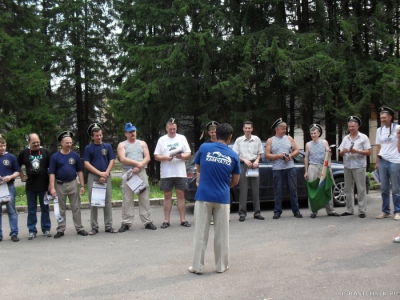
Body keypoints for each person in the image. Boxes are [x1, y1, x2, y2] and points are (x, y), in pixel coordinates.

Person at [188, 123, 240, 274]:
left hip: (203, 195)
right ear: (230, 137)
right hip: (223, 197)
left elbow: (198, 168)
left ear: (215, 134)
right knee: (222, 233)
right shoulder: (233, 155)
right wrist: (224, 184)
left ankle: (197, 266)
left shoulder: (204, 148)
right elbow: (236, 180)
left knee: (200, 233)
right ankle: (221, 266)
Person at [117, 122, 157, 232]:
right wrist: (136, 164)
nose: (132, 133)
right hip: (128, 173)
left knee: (144, 197)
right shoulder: (122, 145)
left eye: (133, 131)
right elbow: (123, 159)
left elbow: (147, 157)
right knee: (128, 198)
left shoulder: (142, 143)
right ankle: (126, 222)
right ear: (126, 133)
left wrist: (139, 166)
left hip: (140, 171)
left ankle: (147, 221)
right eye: (130, 132)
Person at [48, 131, 88, 238]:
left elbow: (80, 171)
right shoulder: (55, 157)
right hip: (59, 185)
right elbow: (51, 173)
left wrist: (82, 186)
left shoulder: (75, 155)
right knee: (61, 209)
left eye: (70, 143)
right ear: (61, 143)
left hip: (73, 183)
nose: (69, 145)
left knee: (76, 207)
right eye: (67, 143)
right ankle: (61, 229)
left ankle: (79, 228)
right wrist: (52, 187)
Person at [154, 118, 192, 228]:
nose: (172, 131)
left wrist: (181, 156)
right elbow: (156, 156)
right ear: (166, 128)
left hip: (180, 172)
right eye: (170, 129)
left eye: (174, 129)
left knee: (181, 194)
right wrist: (166, 158)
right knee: (167, 195)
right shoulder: (162, 140)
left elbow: (188, 154)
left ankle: (183, 219)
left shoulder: (182, 138)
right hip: (167, 172)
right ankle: (166, 220)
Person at [83, 123, 118, 235]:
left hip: (106, 175)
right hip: (93, 176)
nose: (99, 137)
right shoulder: (88, 148)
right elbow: (86, 163)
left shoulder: (107, 146)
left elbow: (112, 160)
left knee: (107, 201)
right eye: (96, 135)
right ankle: (94, 227)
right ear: (92, 137)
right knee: (94, 202)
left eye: (100, 135)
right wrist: (99, 173)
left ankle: (108, 226)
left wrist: (106, 174)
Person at [265, 118, 302, 219]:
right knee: (278, 191)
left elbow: (297, 150)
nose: (285, 130)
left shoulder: (289, 138)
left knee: (293, 190)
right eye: (282, 129)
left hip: (290, 168)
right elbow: (267, 155)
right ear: (277, 129)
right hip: (277, 169)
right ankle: (277, 211)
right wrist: (279, 156)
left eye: (285, 128)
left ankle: (296, 211)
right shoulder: (270, 140)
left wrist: (290, 155)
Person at [18, 133, 52, 240]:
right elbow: (16, 165)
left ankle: (46, 229)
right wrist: (22, 175)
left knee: (45, 209)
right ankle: (32, 230)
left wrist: (51, 184)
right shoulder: (24, 153)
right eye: (34, 142)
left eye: (38, 142)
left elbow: (51, 169)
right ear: (29, 142)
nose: (36, 144)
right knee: (31, 210)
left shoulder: (45, 152)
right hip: (31, 186)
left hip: (44, 186)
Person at [304, 124, 340, 218]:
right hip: (313, 167)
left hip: (323, 167)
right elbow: (306, 157)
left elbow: (329, 154)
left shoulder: (324, 142)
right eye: (311, 133)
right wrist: (306, 171)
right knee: (313, 189)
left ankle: (330, 210)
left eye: (314, 133)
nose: (313, 135)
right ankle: (313, 211)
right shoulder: (308, 144)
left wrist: (329, 151)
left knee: (326, 187)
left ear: (319, 133)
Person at [338, 116, 371, 218]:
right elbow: (340, 153)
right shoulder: (346, 138)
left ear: (358, 126)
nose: (351, 128)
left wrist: (358, 151)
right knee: (348, 189)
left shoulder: (363, 137)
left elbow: (369, 152)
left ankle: (362, 211)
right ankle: (349, 209)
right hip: (347, 165)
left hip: (359, 166)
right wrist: (343, 151)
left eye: (353, 126)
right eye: (349, 126)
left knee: (361, 188)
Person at [232, 121, 264, 222]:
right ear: (243, 129)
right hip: (243, 166)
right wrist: (245, 160)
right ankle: (242, 213)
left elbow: (260, 153)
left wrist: (257, 161)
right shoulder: (239, 140)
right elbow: (235, 154)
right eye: (246, 128)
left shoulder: (256, 139)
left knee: (256, 190)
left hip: (254, 166)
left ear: (252, 129)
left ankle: (257, 213)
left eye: (249, 128)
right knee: (243, 191)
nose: (247, 130)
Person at [375, 106, 400, 220]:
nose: (383, 120)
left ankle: (398, 211)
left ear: (390, 117)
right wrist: (377, 162)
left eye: (384, 117)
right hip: (383, 161)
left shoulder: (397, 128)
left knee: (395, 188)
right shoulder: (379, 130)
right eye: (381, 118)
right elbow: (378, 146)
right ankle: (385, 211)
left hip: (395, 161)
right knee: (384, 188)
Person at [0, 134, 20, 242]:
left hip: (9, 187)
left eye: (3, 145)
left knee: (11, 211)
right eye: (0, 146)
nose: (2, 148)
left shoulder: (11, 157)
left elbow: (17, 171)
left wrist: (10, 177)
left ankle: (14, 233)